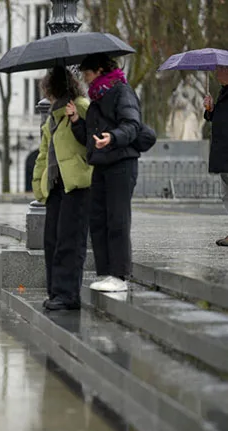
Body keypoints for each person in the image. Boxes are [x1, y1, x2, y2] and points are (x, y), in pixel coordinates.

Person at [72, 54, 143, 293]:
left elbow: (132, 125)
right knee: (98, 219)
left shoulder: (122, 91)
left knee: (117, 219)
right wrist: (75, 121)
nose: (85, 79)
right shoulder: (96, 99)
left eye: (87, 74)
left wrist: (113, 137)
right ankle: (105, 273)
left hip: (122, 163)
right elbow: (91, 139)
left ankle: (119, 275)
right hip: (101, 163)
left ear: (100, 70)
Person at [32, 67, 93, 311]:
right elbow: (44, 153)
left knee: (70, 241)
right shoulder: (52, 117)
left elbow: (93, 140)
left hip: (78, 184)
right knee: (53, 241)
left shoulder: (81, 106)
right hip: (56, 186)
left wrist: (76, 120)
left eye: (47, 91)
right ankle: (55, 292)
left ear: (53, 88)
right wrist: (39, 184)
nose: (46, 96)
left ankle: (68, 295)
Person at [205, 65, 228, 246]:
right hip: (222, 152)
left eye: (220, 69)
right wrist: (210, 109)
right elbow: (220, 118)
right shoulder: (224, 91)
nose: (216, 73)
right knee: (226, 195)